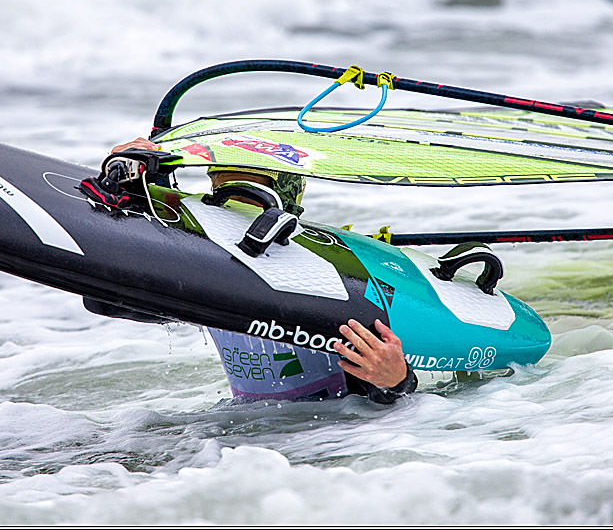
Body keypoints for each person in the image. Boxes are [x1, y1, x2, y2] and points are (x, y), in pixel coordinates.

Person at [99, 138, 418, 405]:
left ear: (283, 197)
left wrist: (399, 379)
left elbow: (386, 391)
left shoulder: (331, 276)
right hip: (238, 441)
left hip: (333, 439)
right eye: (220, 190)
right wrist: (124, 189)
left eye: (246, 193)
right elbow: (105, 301)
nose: (229, 208)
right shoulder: (202, 265)